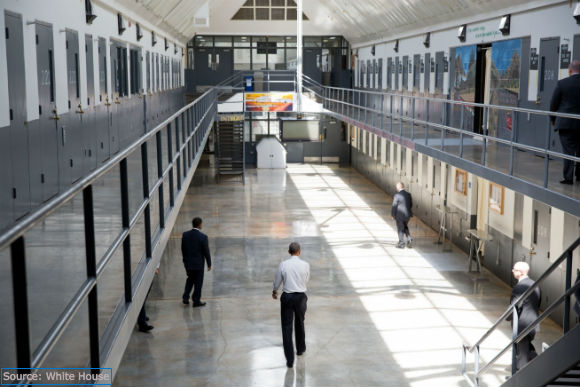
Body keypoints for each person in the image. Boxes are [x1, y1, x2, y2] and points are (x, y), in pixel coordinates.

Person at [272, 242, 310, 368]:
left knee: (287, 327)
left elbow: (277, 280)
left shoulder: (283, 264)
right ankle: (300, 349)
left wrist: (275, 290)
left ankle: (289, 360)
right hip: (300, 297)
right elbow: (306, 280)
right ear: (299, 251)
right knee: (300, 323)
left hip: (287, 297)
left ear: (289, 252)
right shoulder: (305, 265)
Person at [550, 60, 580, 185]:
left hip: (565, 123)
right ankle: (579, 175)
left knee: (568, 151)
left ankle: (568, 178)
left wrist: (553, 120)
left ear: (570, 70)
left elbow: (553, 104)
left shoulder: (562, 83)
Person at [509, 261, 541, 370]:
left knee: (522, 352)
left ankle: (521, 376)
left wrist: (508, 318)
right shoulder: (535, 284)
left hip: (522, 323)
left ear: (521, 272)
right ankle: (538, 362)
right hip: (533, 322)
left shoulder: (520, 286)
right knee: (526, 347)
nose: (512, 271)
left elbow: (515, 306)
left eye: (515, 269)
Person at [181, 217, 212, 307]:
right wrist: (209, 264)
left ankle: (185, 297)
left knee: (190, 280)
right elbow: (206, 251)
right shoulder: (203, 237)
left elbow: (183, 249)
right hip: (198, 265)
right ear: (199, 224)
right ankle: (196, 301)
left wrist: (185, 261)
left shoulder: (185, 235)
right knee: (198, 283)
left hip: (189, 264)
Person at [137, 266, 159, 333]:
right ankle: (142, 323)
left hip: (151, 270)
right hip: (143, 270)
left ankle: (142, 316)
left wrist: (156, 267)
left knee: (144, 295)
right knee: (141, 298)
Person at [391, 182, 413, 248]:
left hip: (400, 215)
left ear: (398, 187)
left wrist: (393, 214)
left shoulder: (397, 195)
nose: (396, 188)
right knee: (405, 226)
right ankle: (409, 238)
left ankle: (401, 243)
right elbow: (411, 205)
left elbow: (394, 206)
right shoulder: (409, 194)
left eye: (396, 187)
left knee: (400, 228)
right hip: (407, 215)